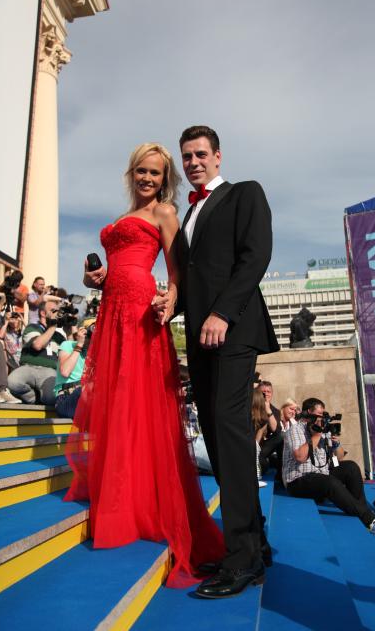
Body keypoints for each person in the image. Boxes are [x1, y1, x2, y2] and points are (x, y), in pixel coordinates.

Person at [64, 143, 224, 588]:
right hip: (112, 309)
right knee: (117, 401)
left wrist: (170, 300)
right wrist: (93, 279)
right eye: (142, 171)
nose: (148, 179)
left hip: (139, 311)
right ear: (131, 173)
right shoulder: (124, 217)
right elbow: (114, 267)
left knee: (140, 401)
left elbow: (177, 270)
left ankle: (137, 503)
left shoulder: (165, 213)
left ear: (163, 179)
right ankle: (122, 493)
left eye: (155, 173)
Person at [156, 125, 279, 598]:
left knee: (229, 438)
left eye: (200, 154)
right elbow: (192, 280)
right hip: (200, 336)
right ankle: (255, 545)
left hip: (233, 329)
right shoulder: (189, 212)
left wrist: (223, 313)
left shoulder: (245, 193)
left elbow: (256, 256)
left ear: (218, 156)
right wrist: (168, 305)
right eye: (186, 156)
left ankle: (242, 561)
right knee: (217, 438)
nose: (193, 162)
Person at [283, 397, 375, 534]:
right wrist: (316, 435)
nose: (322, 417)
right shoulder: (296, 430)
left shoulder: (322, 430)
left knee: (351, 467)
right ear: (309, 412)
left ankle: (360, 507)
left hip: (320, 476)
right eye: (320, 414)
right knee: (330, 482)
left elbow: (338, 458)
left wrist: (336, 444)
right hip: (298, 481)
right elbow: (300, 457)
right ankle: (368, 519)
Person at [7, 300, 64, 405]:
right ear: (43, 313)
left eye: (58, 312)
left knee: (51, 398)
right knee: (12, 382)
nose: (57, 314)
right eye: (53, 311)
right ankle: (34, 397)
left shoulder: (59, 336)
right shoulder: (32, 327)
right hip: (29, 367)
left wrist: (71, 326)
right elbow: (37, 345)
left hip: (50, 371)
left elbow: (70, 352)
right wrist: (53, 326)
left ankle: (43, 396)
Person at [54, 319, 95, 418]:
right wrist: (79, 345)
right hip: (67, 399)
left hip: (88, 399)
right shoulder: (68, 345)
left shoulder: (95, 354)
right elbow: (65, 372)